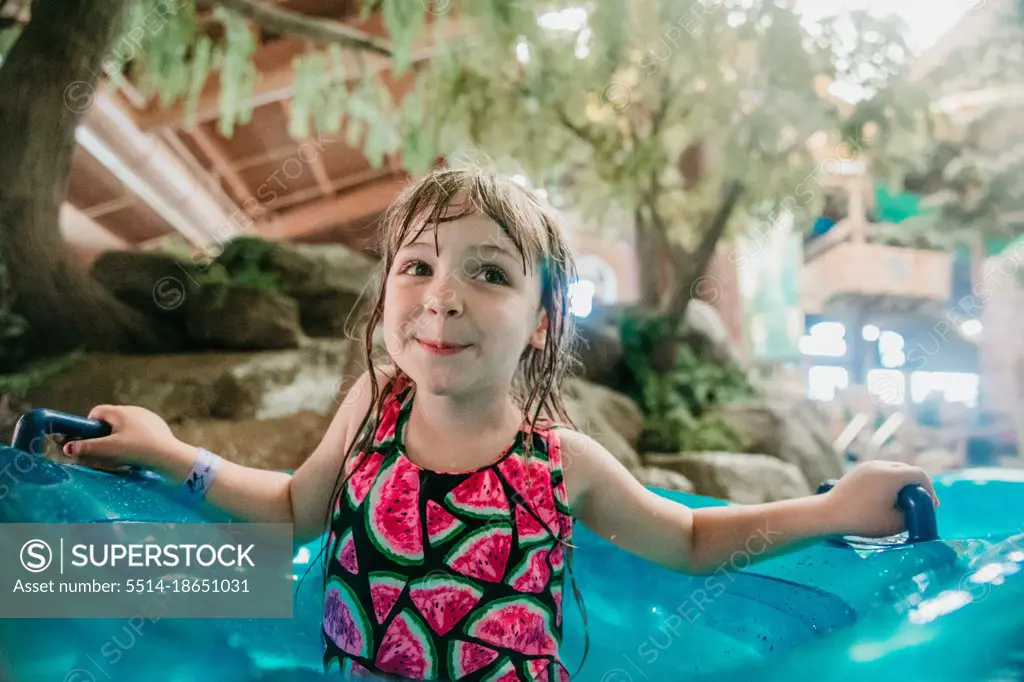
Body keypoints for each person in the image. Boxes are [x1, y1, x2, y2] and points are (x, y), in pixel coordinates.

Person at [65, 166, 940, 681]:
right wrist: (174, 454)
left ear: (544, 320)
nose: (442, 296)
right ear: (384, 303)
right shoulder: (374, 410)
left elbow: (692, 542)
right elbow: (295, 510)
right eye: (417, 267)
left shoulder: (564, 464)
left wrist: (831, 511)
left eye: (488, 274)